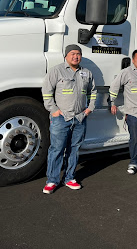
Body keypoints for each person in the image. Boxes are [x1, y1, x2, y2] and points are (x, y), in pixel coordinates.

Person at [41, 44, 97, 194]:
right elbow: (46, 92)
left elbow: (93, 91)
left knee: (74, 150)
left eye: (78, 54)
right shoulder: (56, 71)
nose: (75, 56)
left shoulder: (86, 73)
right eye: (72, 53)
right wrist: (54, 111)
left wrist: (89, 108)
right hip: (61, 118)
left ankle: (70, 178)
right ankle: (52, 180)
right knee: (57, 150)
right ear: (66, 55)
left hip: (79, 118)